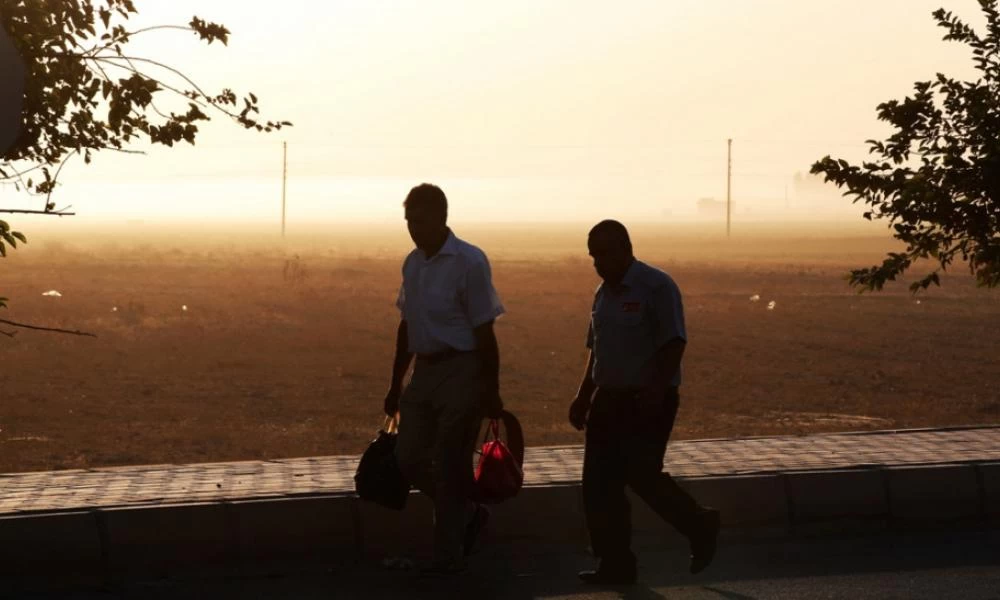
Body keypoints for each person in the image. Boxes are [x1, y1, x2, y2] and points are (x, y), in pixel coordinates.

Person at [569, 220, 720, 585]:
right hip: (608, 399)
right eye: (593, 256)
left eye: (604, 254)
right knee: (598, 486)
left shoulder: (656, 287)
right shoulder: (602, 294)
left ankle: (698, 523)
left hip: (647, 400)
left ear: (626, 249)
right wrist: (582, 396)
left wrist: (654, 391)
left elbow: (674, 343)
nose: (598, 263)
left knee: (642, 475)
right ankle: (615, 565)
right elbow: (597, 351)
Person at [383, 183, 505, 575]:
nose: (413, 229)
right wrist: (395, 383)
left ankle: (447, 557)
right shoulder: (412, 263)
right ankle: (467, 514)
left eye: (419, 221)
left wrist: (490, 388)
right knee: (408, 456)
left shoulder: (469, 262)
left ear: (442, 217)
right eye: (408, 222)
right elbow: (407, 324)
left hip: (462, 370)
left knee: (451, 463)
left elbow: (485, 331)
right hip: (425, 371)